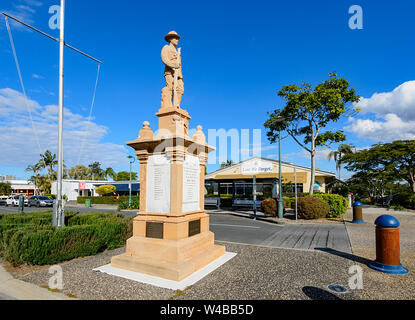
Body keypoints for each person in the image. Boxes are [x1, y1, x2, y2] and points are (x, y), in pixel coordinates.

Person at [161, 31, 184, 108]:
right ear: (170, 39)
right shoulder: (166, 47)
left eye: (178, 39)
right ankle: (168, 106)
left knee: (180, 88)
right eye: (175, 38)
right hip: (169, 72)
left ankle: (177, 106)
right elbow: (164, 59)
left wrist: (180, 74)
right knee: (170, 88)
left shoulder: (177, 51)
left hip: (178, 73)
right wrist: (173, 65)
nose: (177, 40)